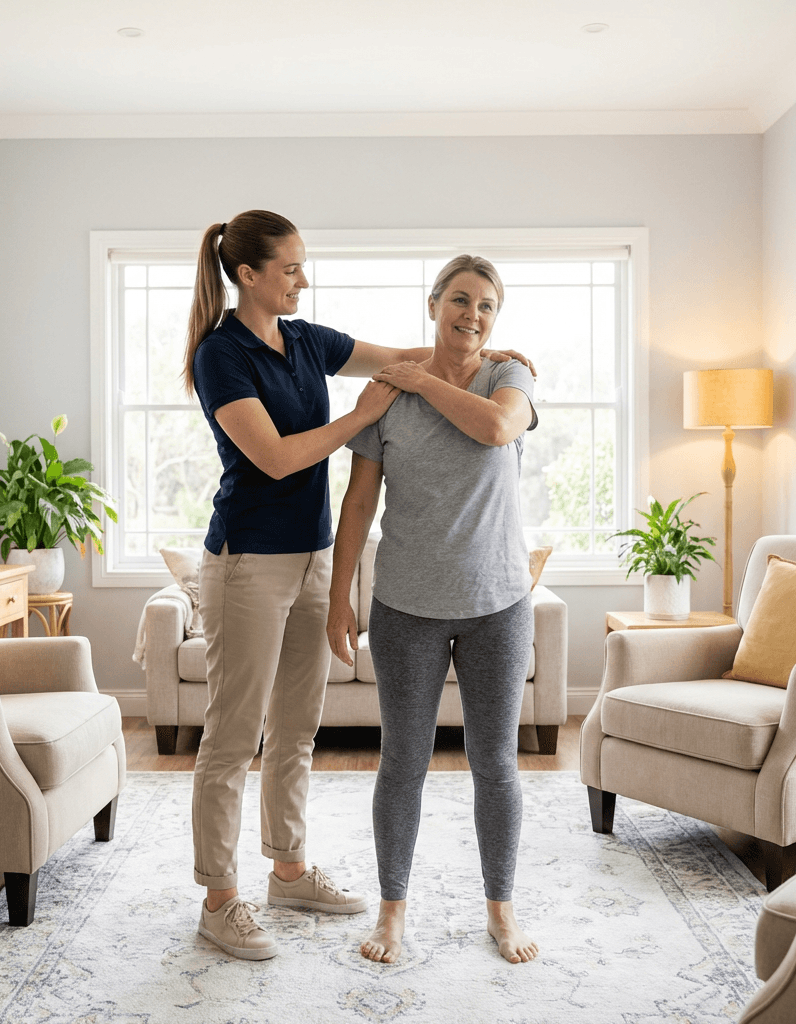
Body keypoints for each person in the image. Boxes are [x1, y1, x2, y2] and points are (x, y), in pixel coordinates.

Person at [183, 212, 531, 961]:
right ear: (247, 275)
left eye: (302, 267)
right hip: (248, 558)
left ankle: (289, 869)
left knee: (299, 724)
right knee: (234, 733)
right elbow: (275, 458)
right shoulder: (221, 356)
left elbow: (412, 356)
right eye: (289, 269)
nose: (301, 280)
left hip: (309, 554)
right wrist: (361, 415)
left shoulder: (307, 338)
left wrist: (488, 349)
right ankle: (219, 899)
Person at [326, 254, 540, 966]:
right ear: (432, 304)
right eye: (459, 300)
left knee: (495, 766)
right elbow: (358, 503)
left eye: (485, 306)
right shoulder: (389, 396)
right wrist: (337, 600)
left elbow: (497, 431)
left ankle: (500, 911)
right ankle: (392, 914)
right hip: (406, 608)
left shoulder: (511, 377)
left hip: (497, 606)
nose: (471, 315)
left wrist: (421, 378)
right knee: (403, 763)